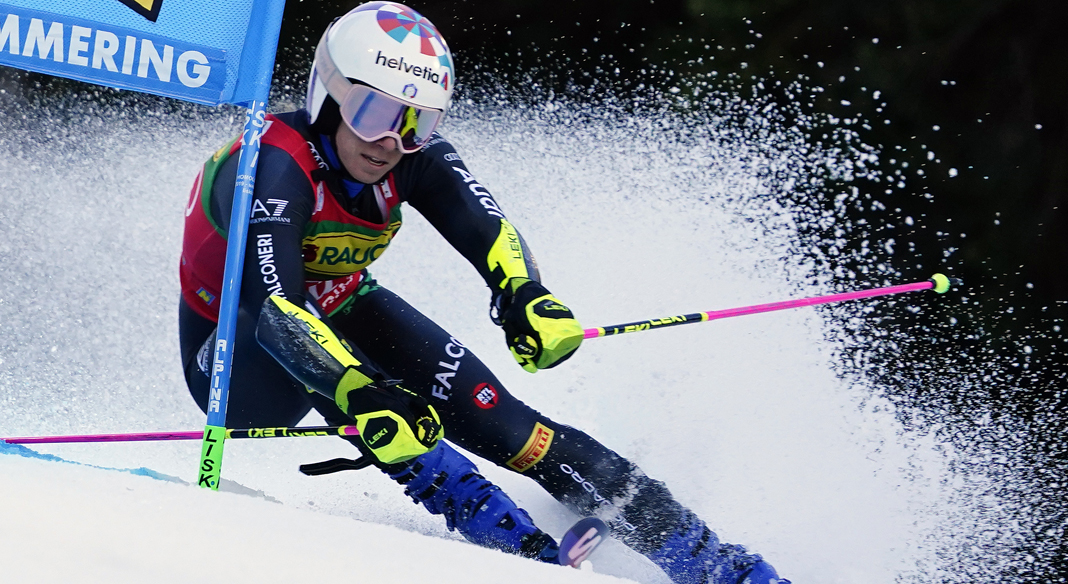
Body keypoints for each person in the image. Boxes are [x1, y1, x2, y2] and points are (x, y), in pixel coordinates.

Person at [178, 3, 788, 583]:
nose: (391, 141)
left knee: (518, 431)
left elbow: (487, 229)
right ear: (329, 93)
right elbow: (280, 310)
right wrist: (361, 390)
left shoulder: (406, 154)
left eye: (416, 123)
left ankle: (721, 566)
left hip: (341, 307)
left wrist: (525, 295)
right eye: (372, 112)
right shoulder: (272, 166)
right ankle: (521, 553)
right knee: (386, 411)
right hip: (237, 352)